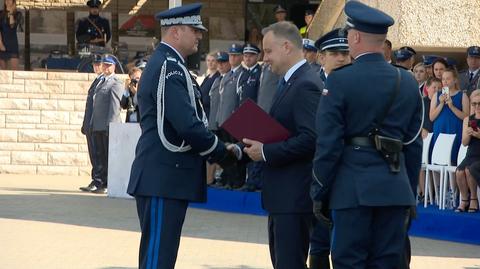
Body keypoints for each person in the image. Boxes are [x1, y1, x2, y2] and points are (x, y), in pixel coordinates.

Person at [311, 2, 423, 268]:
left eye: (349, 34)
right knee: (388, 262)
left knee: (349, 261)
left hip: (352, 190)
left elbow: (328, 144)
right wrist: (409, 193)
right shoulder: (406, 81)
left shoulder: (339, 80)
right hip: (395, 189)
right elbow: (412, 144)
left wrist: (319, 190)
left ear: (356, 36)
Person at [126, 4, 236, 269]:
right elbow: (186, 124)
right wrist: (222, 151)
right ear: (175, 32)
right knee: (157, 259)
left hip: (166, 176)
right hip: (164, 176)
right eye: (194, 30)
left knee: (161, 256)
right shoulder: (169, 67)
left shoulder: (171, 64)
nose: (199, 36)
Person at [240, 21, 322, 269]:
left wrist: (265, 151)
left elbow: (310, 139)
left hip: (294, 196)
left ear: (286, 47)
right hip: (283, 196)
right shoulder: (290, 81)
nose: (265, 58)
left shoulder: (306, 83)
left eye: (268, 51)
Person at [306, 27, 350, 269]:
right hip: (317, 169)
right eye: (334, 53)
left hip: (347, 170)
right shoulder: (311, 84)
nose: (342, 58)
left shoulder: (357, 83)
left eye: (345, 52)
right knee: (319, 239)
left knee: (344, 243)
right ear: (321, 57)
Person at [89, 54, 123, 194]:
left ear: (114, 66)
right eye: (104, 65)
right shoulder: (101, 81)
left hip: (107, 126)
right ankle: (100, 182)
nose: (106, 67)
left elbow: (115, 106)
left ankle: (108, 183)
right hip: (97, 124)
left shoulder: (115, 82)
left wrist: (111, 126)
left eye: (108, 65)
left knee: (108, 156)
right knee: (99, 155)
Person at [215, 43, 246, 189]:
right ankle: (228, 179)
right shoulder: (228, 75)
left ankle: (237, 181)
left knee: (236, 152)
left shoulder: (242, 74)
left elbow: (240, 99)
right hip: (223, 120)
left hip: (234, 121)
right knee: (226, 152)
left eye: (235, 55)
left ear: (241, 57)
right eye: (231, 55)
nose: (232, 58)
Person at [430, 68, 469, 166]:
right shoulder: (436, 95)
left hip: (455, 131)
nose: (445, 81)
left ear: (455, 80)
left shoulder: (462, 95)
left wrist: (452, 106)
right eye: (443, 79)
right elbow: (431, 117)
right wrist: (441, 104)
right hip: (440, 131)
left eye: (448, 79)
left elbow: (466, 117)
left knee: (453, 162)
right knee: (437, 163)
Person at [79, 54, 103, 192]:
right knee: (93, 153)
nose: (96, 67)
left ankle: (99, 180)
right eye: (94, 64)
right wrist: (85, 124)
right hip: (91, 123)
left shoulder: (104, 81)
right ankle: (96, 178)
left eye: (98, 64)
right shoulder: (97, 81)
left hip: (98, 124)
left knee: (99, 153)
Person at [206, 51, 231, 185]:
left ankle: (225, 178)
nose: (220, 65)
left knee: (226, 152)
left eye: (223, 62)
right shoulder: (217, 79)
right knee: (215, 153)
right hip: (215, 121)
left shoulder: (231, 77)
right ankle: (216, 178)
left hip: (225, 121)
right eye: (219, 62)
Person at [455, 89, 480, 213]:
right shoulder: (468, 119)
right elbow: (464, 143)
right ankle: (464, 200)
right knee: (459, 171)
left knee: (469, 170)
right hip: (471, 152)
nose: (477, 106)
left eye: (479, 103)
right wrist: (469, 134)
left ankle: (474, 199)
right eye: (474, 104)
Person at [0, 0, 23, 70]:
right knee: (4, 74)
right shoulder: (0, 14)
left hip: (12, 45)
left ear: (13, 2)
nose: (7, 1)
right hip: (2, 44)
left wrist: (10, 12)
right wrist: (0, 44)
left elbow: (12, 26)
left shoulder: (18, 14)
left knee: (14, 72)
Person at [199, 51, 220, 118]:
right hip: (203, 110)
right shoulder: (207, 77)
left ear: (217, 62)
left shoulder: (218, 77)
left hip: (211, 112)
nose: (210, 63)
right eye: (208, 60)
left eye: (213, 60)